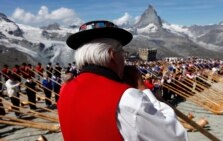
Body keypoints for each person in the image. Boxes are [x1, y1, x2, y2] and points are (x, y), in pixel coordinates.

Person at [58, 20, 188, 141]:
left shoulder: (65, 89)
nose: (124, 59)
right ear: (112, 55)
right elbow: (174, 137)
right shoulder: (126, 98)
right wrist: (142, 88)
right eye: (122, 53)